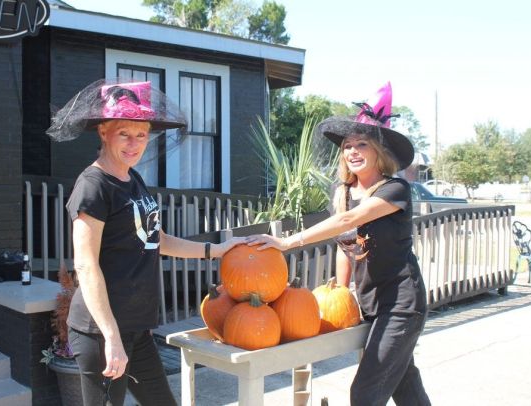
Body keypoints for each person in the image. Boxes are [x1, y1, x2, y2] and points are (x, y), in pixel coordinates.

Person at [47, 79, 244, 406]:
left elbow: (158, 240)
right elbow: (86, 264)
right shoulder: (93, 186)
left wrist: (217, 250)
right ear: (103, 132)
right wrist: (111, 337)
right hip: (101, 332)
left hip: (136, 329)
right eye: (124, 133)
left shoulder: (132, 178)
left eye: (141, 135)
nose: (134, 143)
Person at [246, 82, 431, 405]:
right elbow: (345, 244)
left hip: (402, 304)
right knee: (405, 386)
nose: (353, 151)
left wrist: (287, 242)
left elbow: (350, 221)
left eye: (362, 144)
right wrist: (340, 293)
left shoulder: (394, 190)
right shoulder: (342, 192)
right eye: (347, 146)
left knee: (365, 393)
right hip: (372, 303)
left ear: (379, 151)